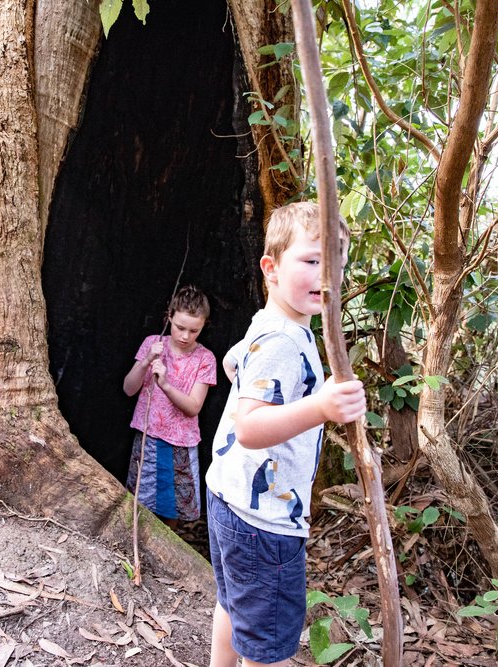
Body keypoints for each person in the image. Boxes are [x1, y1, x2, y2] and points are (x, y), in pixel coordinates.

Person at [205, 201, 366, 667]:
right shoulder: (282, 339)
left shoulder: (273, 324)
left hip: (229, 498)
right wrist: (320, 407)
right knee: (268, 644)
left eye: (335, 262)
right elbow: (251, 429)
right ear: (271, 269)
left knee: (233, 606)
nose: (325, 274)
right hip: (263, 520)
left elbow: (233, 361)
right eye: (313, 260)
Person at [123, 285, 217, 527]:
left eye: (194, 330)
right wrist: (145, 361)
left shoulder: (205, 359)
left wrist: (165, 384)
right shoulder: (153, 343)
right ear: (169, 317)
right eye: (180, 327)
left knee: (173, 507)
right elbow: (128, 388)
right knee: (141, 500)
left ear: (204, 325)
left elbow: (194, 406)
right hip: (147, 435)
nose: (185, 336)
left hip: (180, 442)